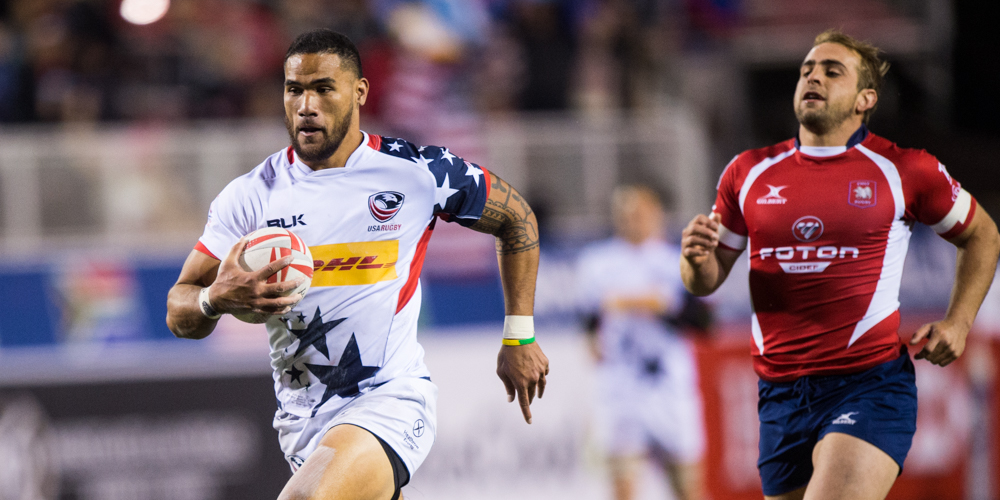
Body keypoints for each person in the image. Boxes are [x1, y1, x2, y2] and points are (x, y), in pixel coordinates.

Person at [165, 29, 549, 500]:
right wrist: (212, 299)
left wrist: (520, 333)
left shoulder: (416, 171)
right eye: (294, 90)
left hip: (387, 400)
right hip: (302, 423)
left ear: (359, 92)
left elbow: (516, 218)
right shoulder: (247, 197)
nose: (306, 104)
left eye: (323, 88)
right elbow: (178, 310)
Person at [679, 30, 1000, 500]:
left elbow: (983, 234)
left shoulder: (904, 169)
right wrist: (694, 258)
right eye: (807, 70)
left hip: (868, 386)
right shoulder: (747, 172)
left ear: (864, 99)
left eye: (833, 71)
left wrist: (959, 322)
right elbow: (704, 282)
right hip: (780, 395)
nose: (814, 77)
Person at [577, 185, 707, 500]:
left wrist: (656, 306)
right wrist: (592, 341)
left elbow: (703, 321)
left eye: (639, 214)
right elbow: (588, 317)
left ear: (656, 215)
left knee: (687, 483)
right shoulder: (598, 262)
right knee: (623, 482)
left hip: (668, 381)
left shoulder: (675, 260)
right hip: (622, 383)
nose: (632, 221)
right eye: (625, 215)